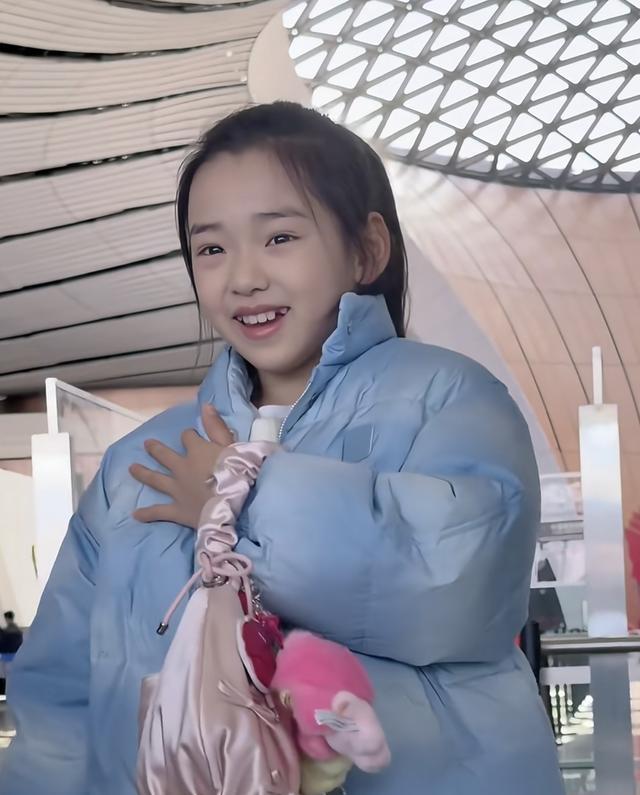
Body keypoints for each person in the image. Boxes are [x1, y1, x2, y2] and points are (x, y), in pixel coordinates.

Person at [0, 102, 562, 795]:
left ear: (367, 249)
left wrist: (236, 501)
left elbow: (453, 586)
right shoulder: (137, 463)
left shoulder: (450, 400)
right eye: (212, 249)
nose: (243, 277)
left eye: (279, 237)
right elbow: (63, 695)